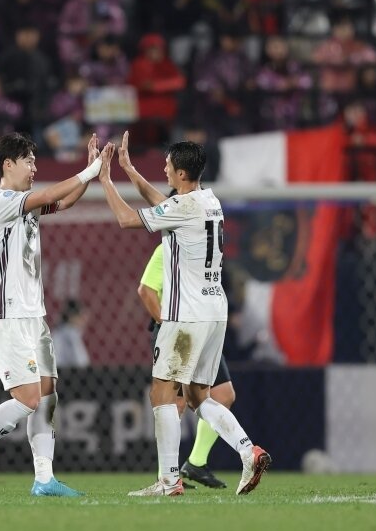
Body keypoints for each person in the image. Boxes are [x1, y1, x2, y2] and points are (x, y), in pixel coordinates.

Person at [96, 132, 271, 497]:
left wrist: (107, 181)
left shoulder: (183, 207)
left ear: (180, 175)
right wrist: (129, 169)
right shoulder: (209, 202)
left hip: (185, 314)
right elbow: (164, 204)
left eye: (167, 167)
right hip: (214, 311)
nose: (164, 170)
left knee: (162, 393)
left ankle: (169, 480)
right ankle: (247, 450)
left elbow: (129, 220)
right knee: (198, 397)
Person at [0, 132, 101, 498]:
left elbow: (62, 202)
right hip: (8, 316)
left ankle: (44, 478)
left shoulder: (25, 203)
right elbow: (52, 194)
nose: (35, 168)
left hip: (35, 315)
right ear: (8, 164)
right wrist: (90, 171)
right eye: (29, 161)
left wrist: (90, 173)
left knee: (48, 394)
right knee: (29, 399)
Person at [139, 239, 231, 489]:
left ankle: (196, 463)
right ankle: (166, 475)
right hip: (179, 334)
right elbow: (146, 290)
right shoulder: (166, 249)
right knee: (175, 401)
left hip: (200, 329)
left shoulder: (203, 252)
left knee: (223, 395)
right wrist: (166, 324)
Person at [51, 299, 89, 368]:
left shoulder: (70, 333)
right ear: (71, 316)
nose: (82, 320)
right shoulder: (69, 333)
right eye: (79, 316)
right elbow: (81, 362)